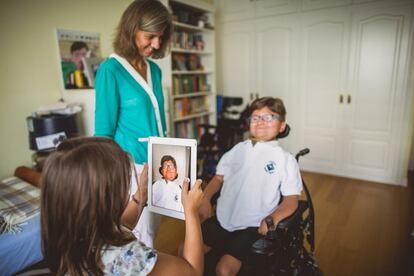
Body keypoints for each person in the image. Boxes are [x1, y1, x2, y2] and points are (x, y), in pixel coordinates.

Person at [41, 137, 204, 276]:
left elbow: (121, 227)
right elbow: (193, 271)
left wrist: (140, 197)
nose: (127, 182)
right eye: (123, 180)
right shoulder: (128, 256)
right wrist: (191, 212)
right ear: (106, 197)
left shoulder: (68, 235)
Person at [94, 0, 172, 246]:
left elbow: (158, 119)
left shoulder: (154, 70)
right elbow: (103, 132)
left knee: (154, 227)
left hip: (159, 161)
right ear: (131, 30)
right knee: (141, 235)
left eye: (160, 37)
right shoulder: (111, 70)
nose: (156, 44)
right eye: (150, 36)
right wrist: (108, 178)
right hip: (132, 168)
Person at [198, 97, 303, 276]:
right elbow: (218, 178)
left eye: (269, 117)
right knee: (187, 250)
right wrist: (206, 198)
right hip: (222, 218)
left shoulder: (285, 159)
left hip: (252, 225)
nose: (261, 122)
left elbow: (292, 199)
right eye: (255, 118)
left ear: (282, 126)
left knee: (224, 269)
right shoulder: (237, 150)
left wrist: (272, 219)